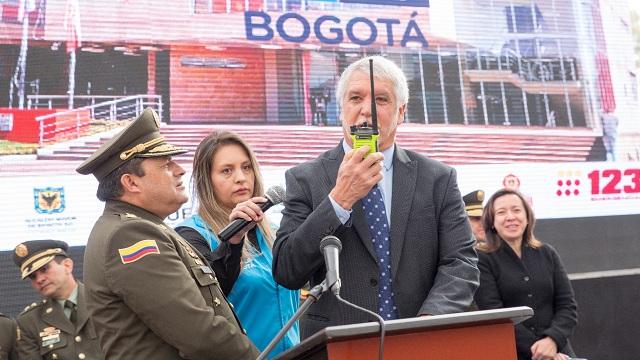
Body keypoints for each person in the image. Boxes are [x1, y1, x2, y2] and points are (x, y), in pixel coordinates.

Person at [272, 55, 479, 338]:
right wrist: (339, 200)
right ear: (340, 108)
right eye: (355, 98)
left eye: (381, 100)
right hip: (341, 345)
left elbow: (461, 262)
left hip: (419, 342)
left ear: (401, 111)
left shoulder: (437, 179)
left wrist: (431, 319)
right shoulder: (305, 178)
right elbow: (287, 270)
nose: (366, 110)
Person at [76, 108, 258, 359]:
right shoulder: (132, 234)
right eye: (165, 164)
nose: (180, 170)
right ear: (131, 183)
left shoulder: (141, 226)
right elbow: (199, 334)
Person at [175, 130, 300, 358]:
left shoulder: (274, 231)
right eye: (227, 171)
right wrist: (233, 241)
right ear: (207, 181)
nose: (241, 178)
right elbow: (207, 299)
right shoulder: (191, 235)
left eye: (246, 167)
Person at [474, 188, 578, 360]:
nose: (510, 217)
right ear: (492, 221)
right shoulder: (482, 259)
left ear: (527, 216)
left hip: (560, 352)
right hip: (514, 353)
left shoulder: (547, 253)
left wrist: (552, 341)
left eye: (516, 210)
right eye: (501, 212)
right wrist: (541, 352)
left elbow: (567, 307)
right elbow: (495, 314)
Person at [11, 240, 104, 359]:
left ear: (67, 265)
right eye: (33, 276)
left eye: (44, 269)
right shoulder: (29, 321)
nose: (39, 279)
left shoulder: (103, 300)